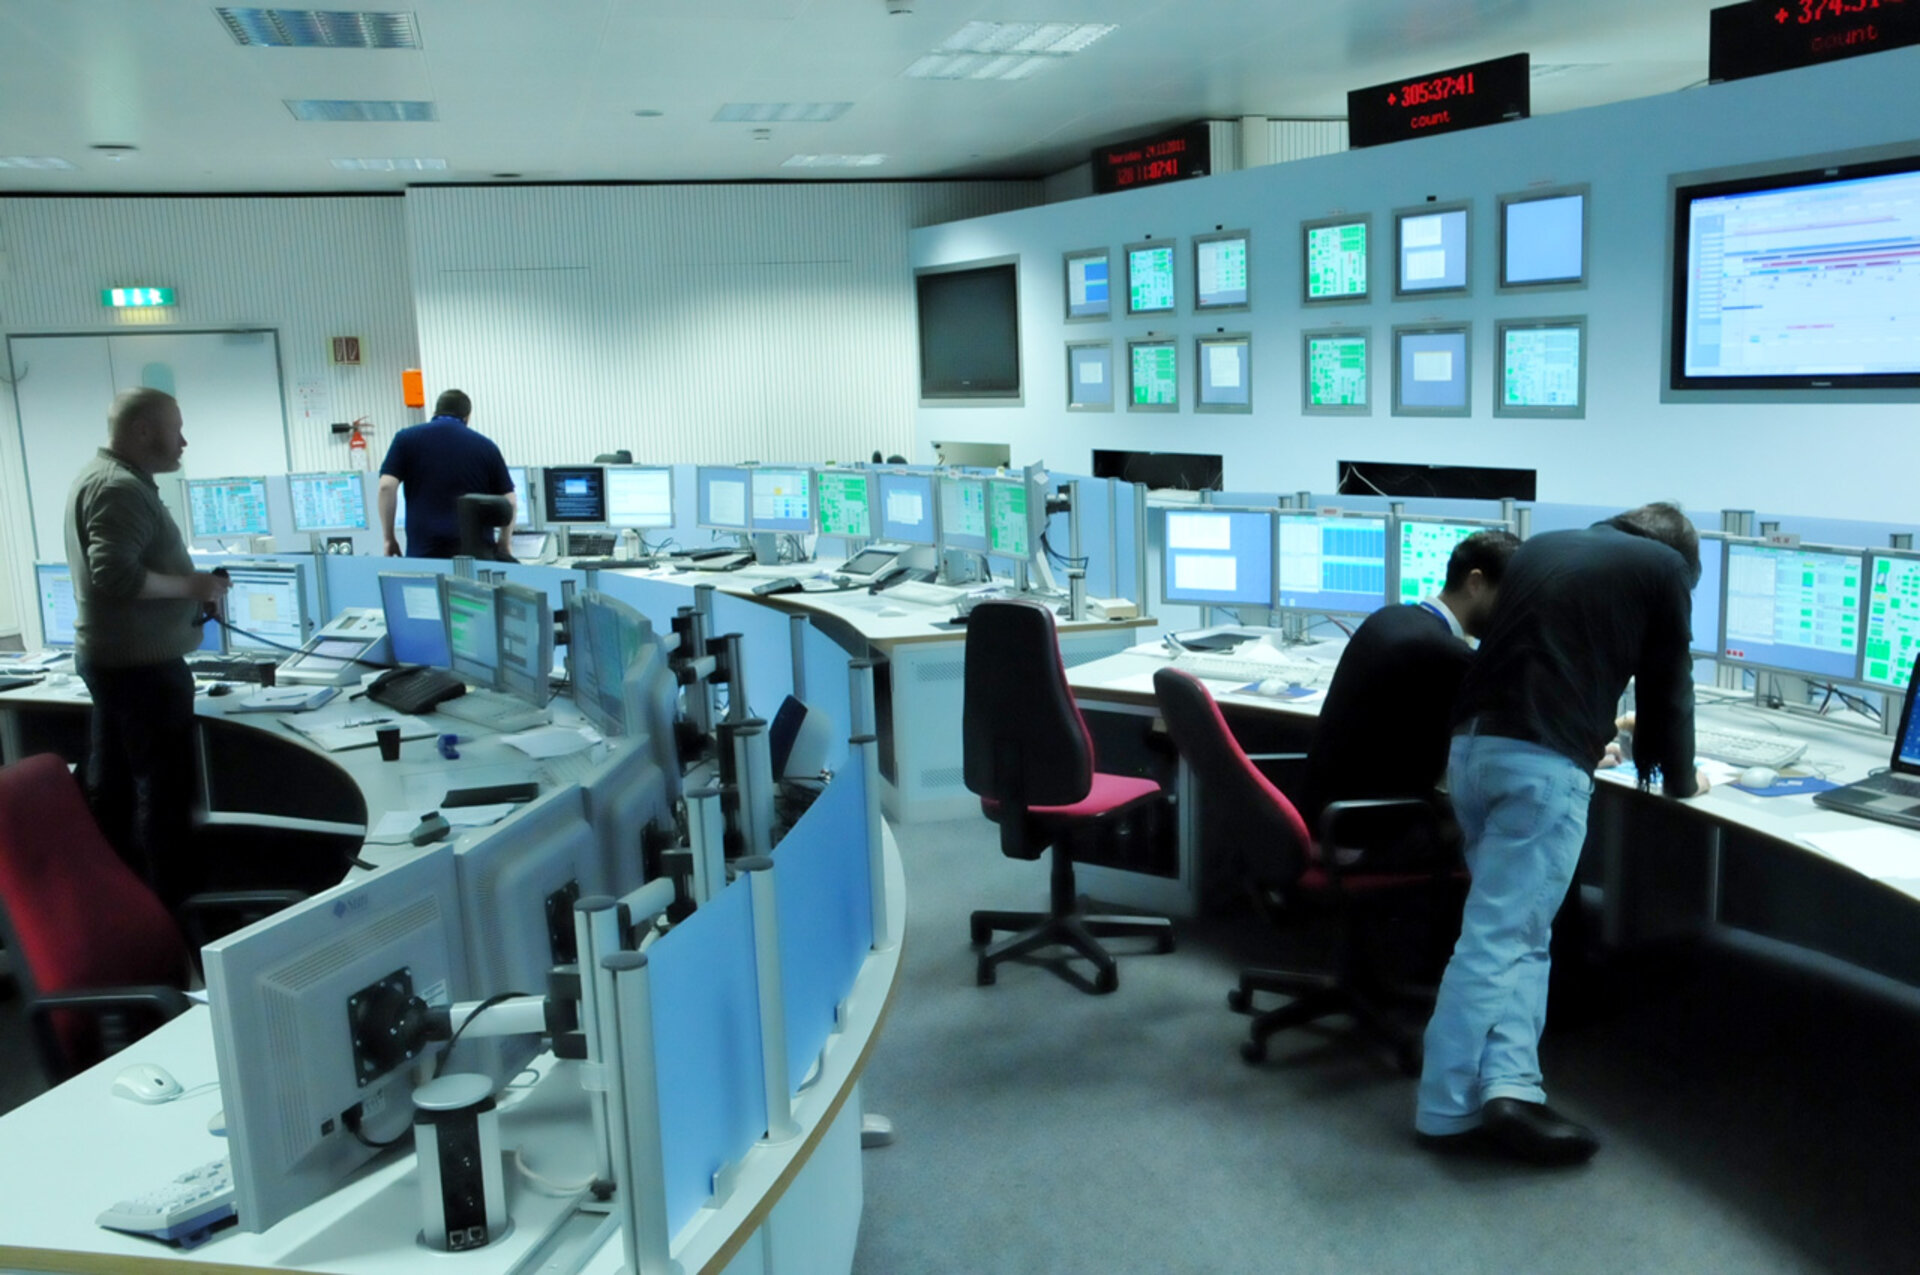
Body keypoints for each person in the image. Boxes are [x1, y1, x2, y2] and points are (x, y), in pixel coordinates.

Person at [1415, 502, 1711, 1166]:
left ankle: (1512, 1087)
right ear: (1679, 559)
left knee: (1522, 933)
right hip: (1538, 766)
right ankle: (1446, 1106)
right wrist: (1679, 779)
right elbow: (1671, 688)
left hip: (1471, 753)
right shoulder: (1663, 568)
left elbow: (1534, 655)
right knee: (1497, 938)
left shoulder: (1545, 545)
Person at [63, 388, 231, 909]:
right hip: (143, 671)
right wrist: (193, 588)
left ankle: (126, 911)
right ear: (141, 431)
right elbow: (114, 577)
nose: (183, 440)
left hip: (120, 663)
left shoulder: (103, 477)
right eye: (174, 428)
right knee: (164, 803)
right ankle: (176, 925)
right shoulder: (119, 489)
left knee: (113, 793)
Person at [1306, 529, 1521, 827]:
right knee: (1499, 828)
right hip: (1362, 831)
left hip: (1327, 815)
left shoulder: (1390, 617)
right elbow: (1503, 741)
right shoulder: (1444, 653)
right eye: (1509, 597)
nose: (1512, 611)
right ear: (1475, 583)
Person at [378, 389, 514, 558]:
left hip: (425, 553)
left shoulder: (405, 439)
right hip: (475, 556)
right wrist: (504, 542)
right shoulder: (486, 446)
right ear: (467, 417)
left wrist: (389, 538)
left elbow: (386, 487)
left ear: (435, 412)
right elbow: (510, 501)